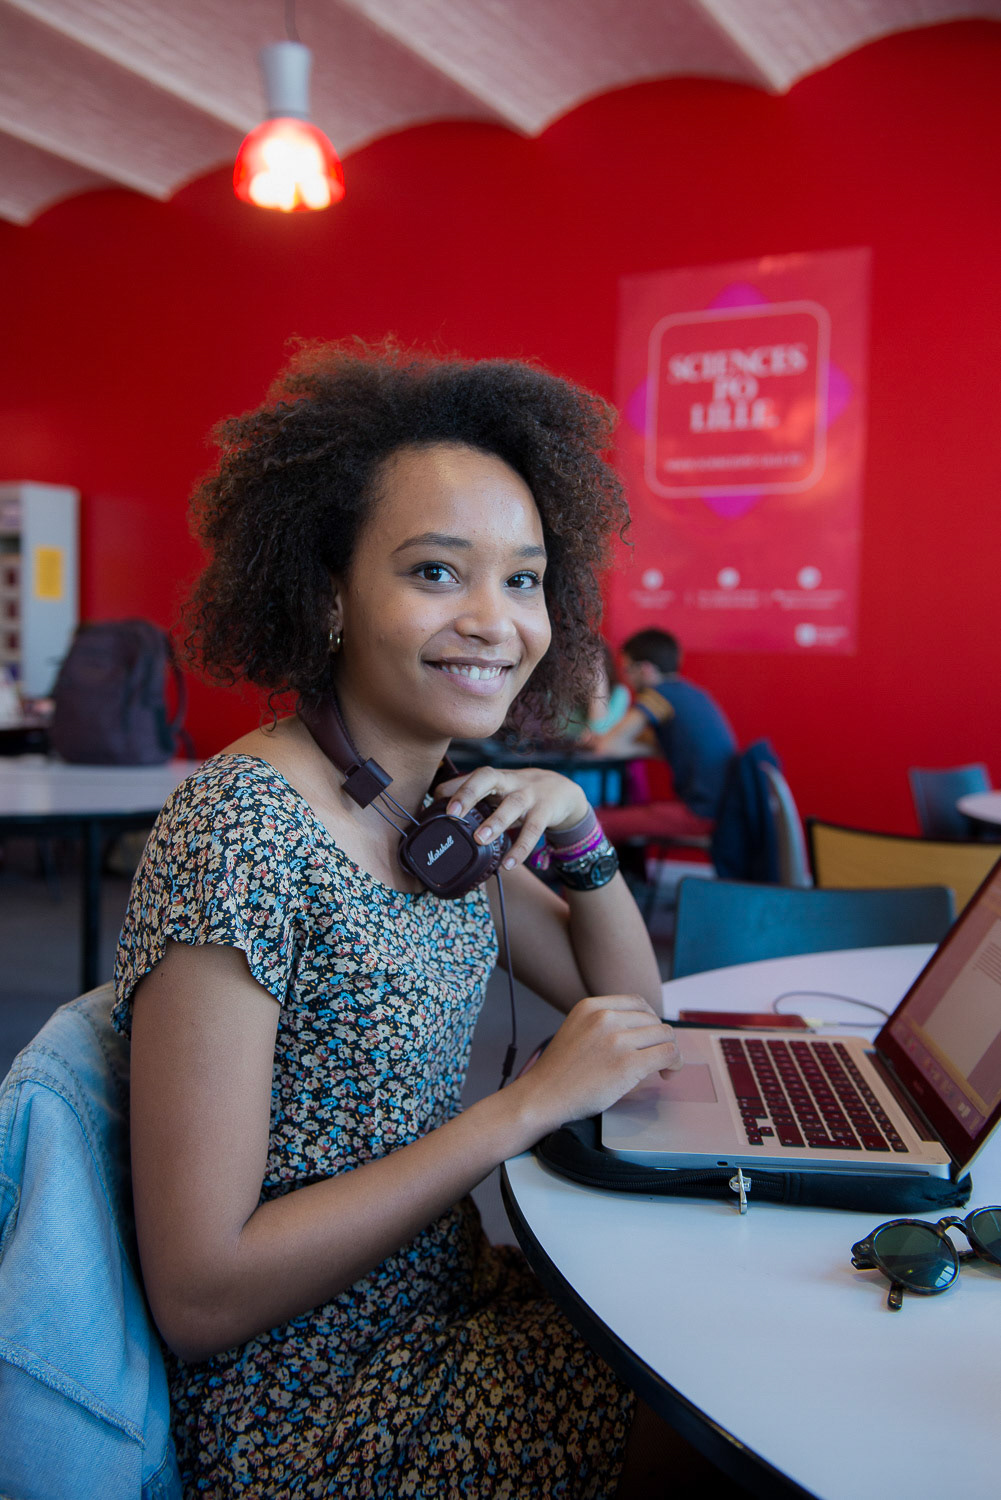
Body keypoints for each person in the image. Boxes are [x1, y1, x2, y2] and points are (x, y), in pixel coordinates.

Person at [111, 342, 731, 1498]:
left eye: (525, 578)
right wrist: (517, 1112)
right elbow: (198, 1298)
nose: (496, 621)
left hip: (441, 1301)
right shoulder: (240, 834)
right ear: (327, 591)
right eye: (437, 573)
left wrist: (574, 836)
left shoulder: (440, 816)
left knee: (723, 1341)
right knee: (721, 1422)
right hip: (308, 1411)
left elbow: (631, 1022)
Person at [592, 629, 737, 841]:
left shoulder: (659, 695)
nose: (627, 679)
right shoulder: (693, 693)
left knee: (592, 819)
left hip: (699, 813)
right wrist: (651, 748)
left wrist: (641, 747)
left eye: (628, 670)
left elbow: (605, 746)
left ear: (646, 669)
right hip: (721, 809)